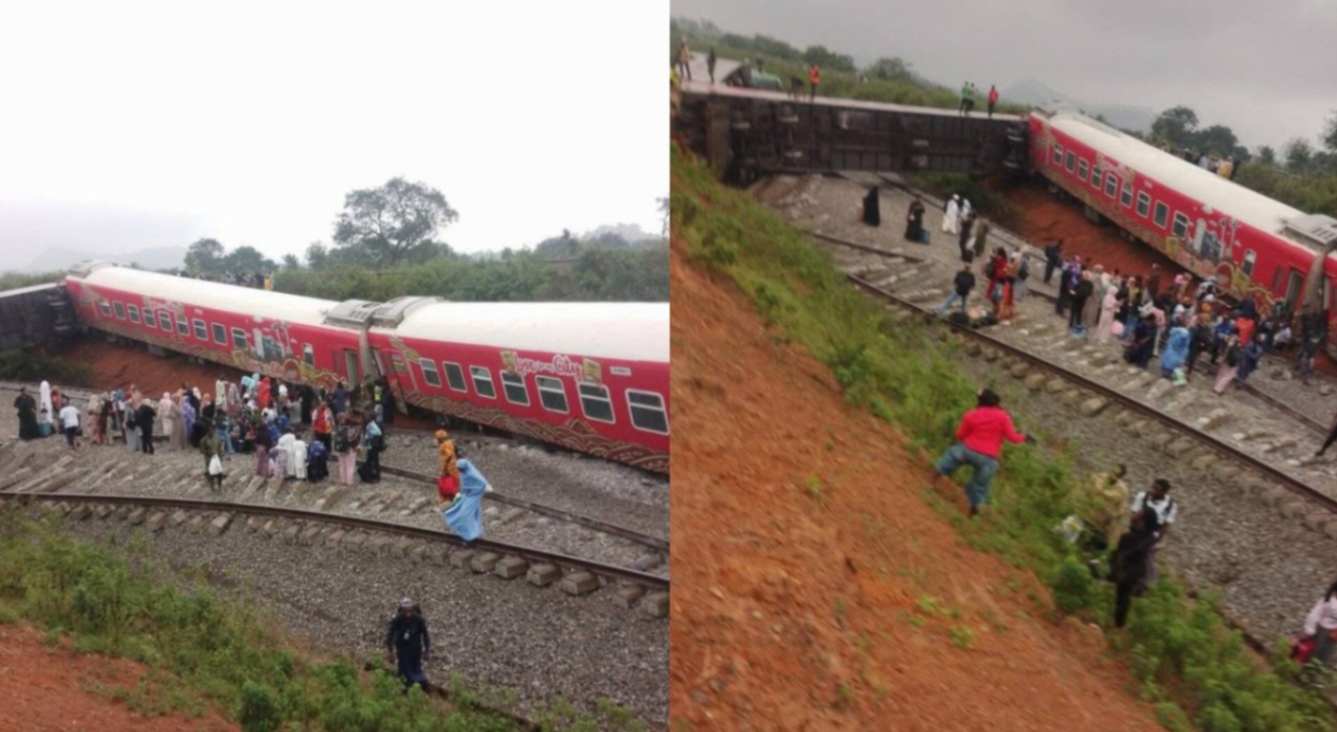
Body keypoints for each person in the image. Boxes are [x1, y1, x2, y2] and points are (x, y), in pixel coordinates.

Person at [933, 388, 1030, 516]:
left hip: (968, 450)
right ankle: (974, 510)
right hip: (988, 459)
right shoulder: (1003, 417)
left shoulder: (972, 414)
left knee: (951, 457)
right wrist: (1025, 438)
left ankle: (934, 477)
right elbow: (1013, 438)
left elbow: (960, 435)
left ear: (980, 401)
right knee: (979, 485)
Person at [1110, 506, 1161, 628]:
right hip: (1131, 572)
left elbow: (1127, 555)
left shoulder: (1133, 539)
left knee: (1123, 596)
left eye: (1138, 514)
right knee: (1122, 596)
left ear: (1143, 523)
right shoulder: (1146, 539)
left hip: (1130, 573)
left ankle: (1118, 625)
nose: (1134, 515)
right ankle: (1118, 624)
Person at [1130, 479, 1176, 588]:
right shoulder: (1143, 496)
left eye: (1157, 489)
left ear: (1164, 492)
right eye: (1153, 487)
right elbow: (1133, 515)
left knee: (1147, 555)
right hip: (1139, 529)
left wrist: (1158, 540)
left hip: (1153, 533)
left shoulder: (1170, 505)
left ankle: (1149, 582)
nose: (1153, 491)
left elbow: (1166, 525)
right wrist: (1135, 529)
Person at [385, 599, 431, 693]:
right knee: (404, 669)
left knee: (416, 668)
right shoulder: (397, 619)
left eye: (409, 610)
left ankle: (418, 685)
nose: (408, 613)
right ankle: (406, 688)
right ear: (401, 610)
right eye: (405, 610)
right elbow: (390, 635)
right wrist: (390, 651)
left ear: (412, 609)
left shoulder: (418, 619)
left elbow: (425, 635)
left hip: (415, 649)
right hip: (402, 649)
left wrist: (427, 651)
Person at [443, 458, 490, 541]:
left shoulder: (471, 475)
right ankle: (471, 533)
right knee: (467, 514)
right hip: (467, 497)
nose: (459, 470)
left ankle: (471, 535)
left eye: (460, 469)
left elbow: (481, 485)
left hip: (472, 498)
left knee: (465, 514)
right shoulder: (464, 474)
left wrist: (472, 492)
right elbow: (464, 486)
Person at [1302, 581, 1337, 667]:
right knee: (1315, 654)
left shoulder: (1328, 600)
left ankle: (1315, 670)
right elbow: (1315, 614)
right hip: (1322, 630)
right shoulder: (1328, 601)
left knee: (1325, 656)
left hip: (1333, 633)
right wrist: (1310, 630)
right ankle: (1308, 670)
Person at [335, 413, 362, 486]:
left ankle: (343, 480)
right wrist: (357, 447)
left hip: (340, 448)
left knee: (342, 465)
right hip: (350, 449)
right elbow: (353, 439)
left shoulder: (338, 428)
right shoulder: (352, 429)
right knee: (350, 465)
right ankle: (349, 481)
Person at [435, 429, 460, 507]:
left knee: (445, 483)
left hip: (449, 467)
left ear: (439, 438)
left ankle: (448, 499)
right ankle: (454, 498)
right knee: (455, 482)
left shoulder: (444, 445)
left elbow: (449, 455)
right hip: (454, 465)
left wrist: (444, 468)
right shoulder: (450, 442)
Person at [200, 423, 224, 491]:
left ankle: (219, 486)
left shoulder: (217, 438)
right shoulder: (203, 440)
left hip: (217, 457)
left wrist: (221, 455)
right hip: (209, 458)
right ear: (207, 431)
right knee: (211, 473)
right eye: (210, 430)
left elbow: (220, 447)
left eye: (213, 430)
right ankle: (212, 486)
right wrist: (208, 453)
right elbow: (202, 450)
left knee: (220, 473)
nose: (211, 431)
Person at [360, 413, 383, 483]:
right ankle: (374, 476)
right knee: (374, 461)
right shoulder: (375, 424)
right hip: (375, 445)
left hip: (371, 445)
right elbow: (380, 433)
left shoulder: (369, 425)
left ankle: (371, 475)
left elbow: (366, 436)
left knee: (371, 460)